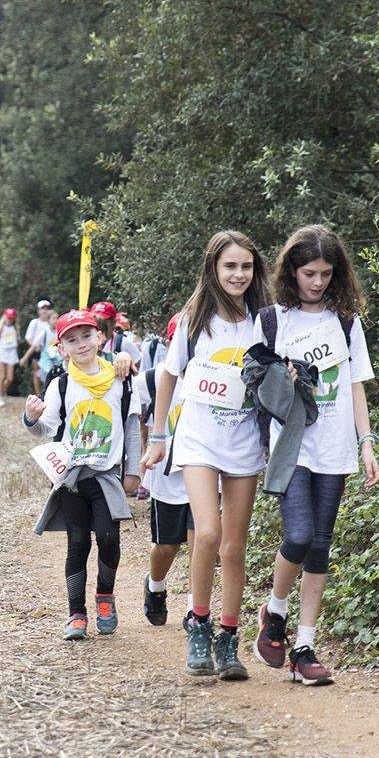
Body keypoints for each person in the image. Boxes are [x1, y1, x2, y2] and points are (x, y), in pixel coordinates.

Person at [252, 225, 379, 686]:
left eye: (326, 273)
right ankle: (275, 611)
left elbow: (355, 384)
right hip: (291, 446)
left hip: (335, 446)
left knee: (321, 545)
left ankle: (303, 646)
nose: (318, 282)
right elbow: (253, 383)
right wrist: (278, 376)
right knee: (300, 534)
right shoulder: (271, 321)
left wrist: (367, 443)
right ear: (291, 271)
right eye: (309, 273)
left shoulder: (345, 323)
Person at [141, 231, 268, 681]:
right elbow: (167, 376)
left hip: (244, 441)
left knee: (234, 547)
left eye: (246, 267)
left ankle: (228, 637)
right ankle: (198, 623)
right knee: (207, 532)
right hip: (197, 439)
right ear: (213, 268)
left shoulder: (265, 319)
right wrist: (158, 437)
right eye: (230, 266)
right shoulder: (196, 318)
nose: (238, 274)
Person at [24, 308, 142, 639]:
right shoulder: (60, 385)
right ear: (61, 348)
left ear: (100, 337)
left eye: (87, 336)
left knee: (108, 537)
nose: (81, 344)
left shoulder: (121, 378)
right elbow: (46, 428)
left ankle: (105, 594)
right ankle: (76, 613)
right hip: (72, 479)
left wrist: (133, 470)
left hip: (107, 476)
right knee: (77, 542)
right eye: (71, 340)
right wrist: (31, 418)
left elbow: (132, 424)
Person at [136, 315, 191, 625]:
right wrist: (119, 360)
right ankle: (155, 586)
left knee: (203, 543)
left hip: (208, 476)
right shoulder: (153, 379)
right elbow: (121, 393)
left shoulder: (218, 374)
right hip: (167, 479)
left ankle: (196, 610)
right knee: (167, 545)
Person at [0, 308, 20, 406]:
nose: (9, 320)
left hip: (11, 353)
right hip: (1, 353)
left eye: (11, 318)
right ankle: (0, 397)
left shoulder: (15, 328)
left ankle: (3, 391)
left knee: (10, 378)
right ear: (4, 317)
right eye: (8, 318)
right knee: (2, 377)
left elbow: (17, 340)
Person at [22, 299, 54, 393]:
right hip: (36, 350)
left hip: (49, 351)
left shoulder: (51, 322)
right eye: (42, 308)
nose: (45, 310)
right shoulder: (34, 322)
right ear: (38, 310)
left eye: (47, 308)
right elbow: (28, 337)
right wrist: (34, 346)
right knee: (36, 372)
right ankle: (38, 393)